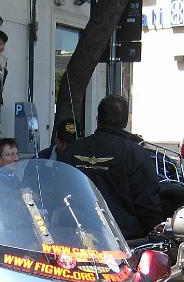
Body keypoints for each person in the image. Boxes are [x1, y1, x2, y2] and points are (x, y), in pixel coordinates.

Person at [59, 94, 163, 241]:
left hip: (75, 236)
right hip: (123, 242)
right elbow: (147, 203)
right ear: (125, 122)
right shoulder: (135, 154)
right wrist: (155, 235)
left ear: (97, 119)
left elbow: (58, 190)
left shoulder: (72, 150)